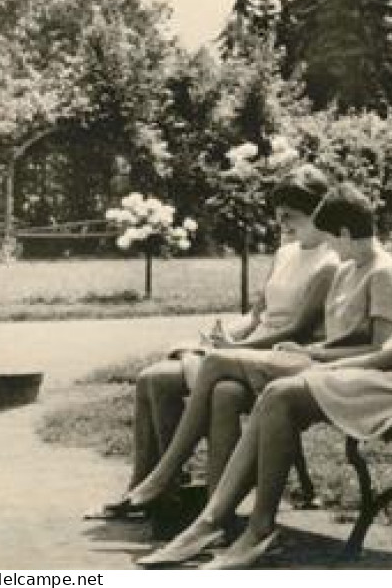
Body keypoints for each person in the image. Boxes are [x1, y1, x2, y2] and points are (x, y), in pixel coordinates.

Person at [141, 166, 392, 569]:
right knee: (277, 394)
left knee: (283, 392)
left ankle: (243, 528)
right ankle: (219, 524)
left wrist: (325, 365)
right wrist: (325, 361)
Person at [118, 183, 392, 511]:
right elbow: (308, 327)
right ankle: (197, 505)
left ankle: (169, 478)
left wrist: (312, 352)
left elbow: (377, 349)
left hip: (325, 368)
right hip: (305, 358)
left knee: (217, 371)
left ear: (336, 229)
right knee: (204, 386)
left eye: (330, 238)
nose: (284, 225)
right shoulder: (342, 265)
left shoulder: (365, 270)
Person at [88, 164, 338, 521]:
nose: (282, 225)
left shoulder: (329, 261)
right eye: (278, 216)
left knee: (204, 387)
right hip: (249, 347)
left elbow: (296, 329)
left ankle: (184, 492)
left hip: (278, 354)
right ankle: (147, 487)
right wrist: (220, 335)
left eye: (291, 217)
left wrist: (235, 350)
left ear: (318, 212)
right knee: (151, 377)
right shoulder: (286, 253)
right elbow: (256, 316)